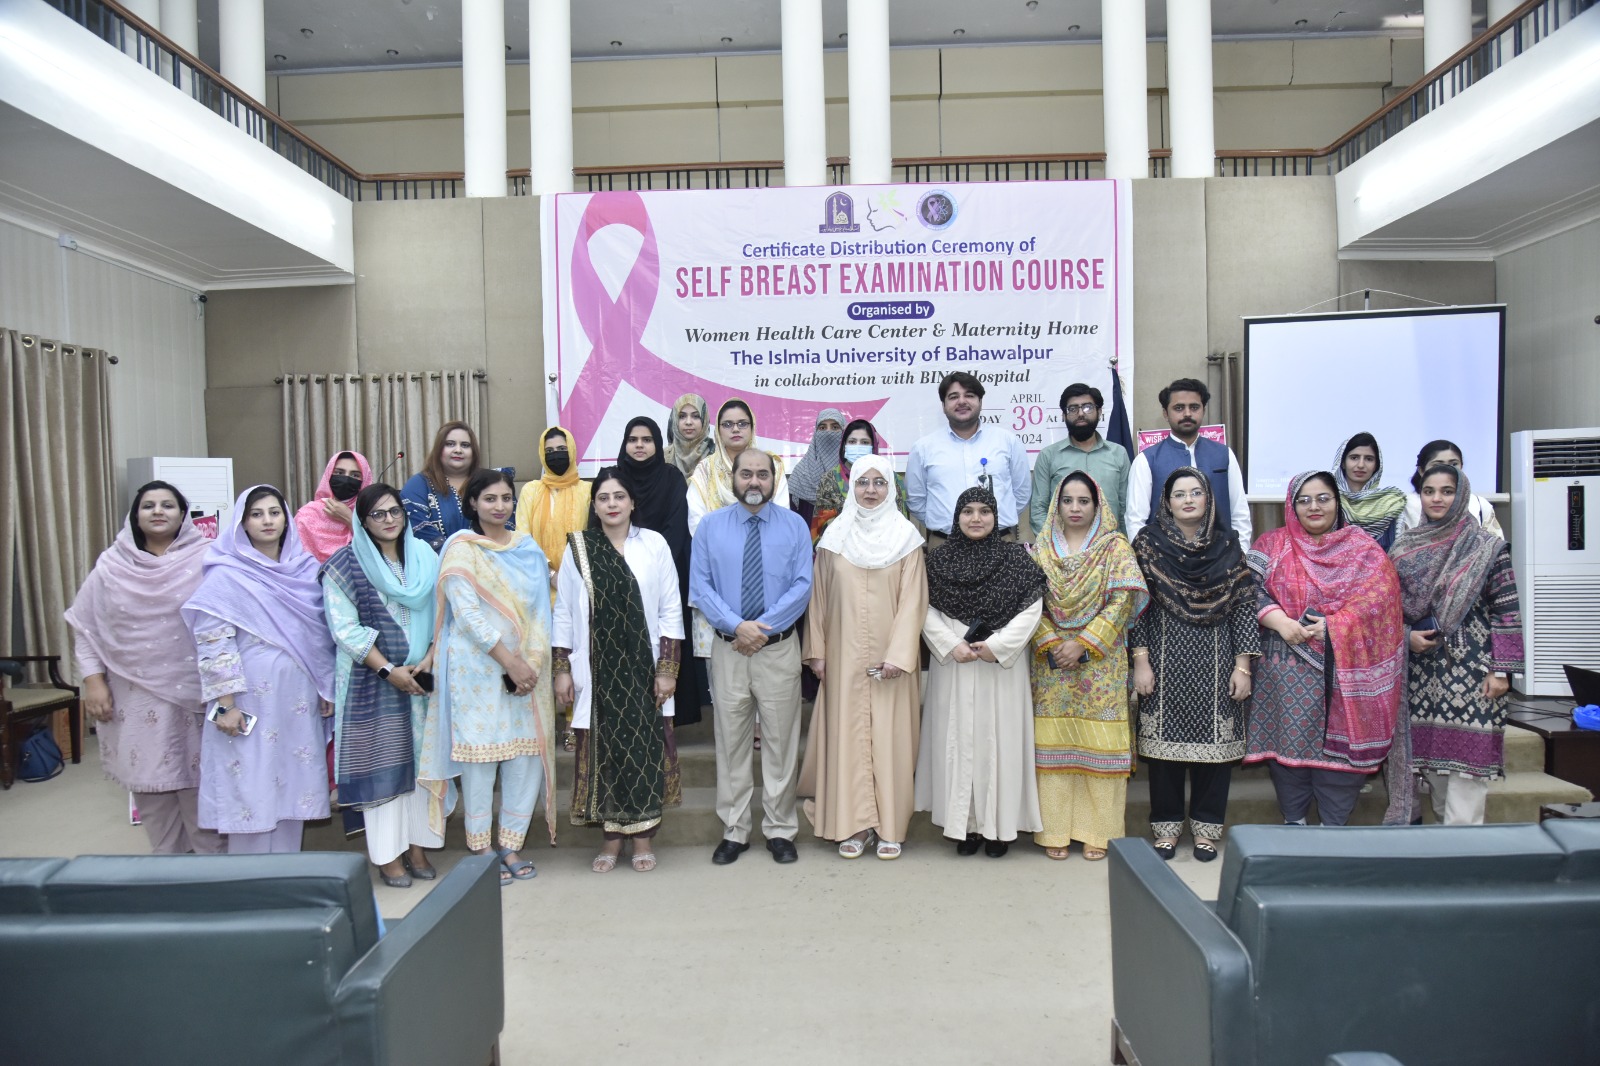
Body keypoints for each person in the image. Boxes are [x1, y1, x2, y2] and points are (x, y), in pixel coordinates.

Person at [66, 481, 223, 855]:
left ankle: (212, 871)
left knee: (201, 790)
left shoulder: (209, 559)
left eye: (168, 505)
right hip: (133, 694)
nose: (158, 511)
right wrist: (93, 681)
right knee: (151, 788)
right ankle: (165, 867)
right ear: (134, 516)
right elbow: (86, 627)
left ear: (183, 515)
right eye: (148, 505)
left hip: (198, 691)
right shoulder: (111, 566)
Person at [1243, 471, 1405, 826]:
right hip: (1284, 674)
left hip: (1345, 675)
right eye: (1304, 500)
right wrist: (1279, 621)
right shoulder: (1271, 545)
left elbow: (1381, 600)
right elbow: (1246, 589)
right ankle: (1294, 821)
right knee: (1288, 752)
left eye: (1323, 498)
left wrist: (1336, 625)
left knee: (1340, 763)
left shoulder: (1364, 550)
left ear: (1337, 502)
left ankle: (1333, 827)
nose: (1313, 507)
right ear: (1291, 506)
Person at [182, 486, 337, 853]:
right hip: (247, 698)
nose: (267, 521)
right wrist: (226, 704)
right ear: (242, 523)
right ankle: (250, 874)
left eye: (274, 512)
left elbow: (319, 637)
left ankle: (285, 869)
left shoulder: (306, 571)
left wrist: (325, 686)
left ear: (286, 519)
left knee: (292, 781)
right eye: (256, 514)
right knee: (249, 783)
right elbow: (214, 643)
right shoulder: (227, 575)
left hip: (297, 699)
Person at [553, 468, 685, 872]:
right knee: (604, 755)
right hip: (597, 671)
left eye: (619, 496)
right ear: (594, 506)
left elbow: (670, 607)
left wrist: (667, 669)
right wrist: (561, 668)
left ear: (632, 502)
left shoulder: (654, 544)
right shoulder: (580, 549)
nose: (612, 504)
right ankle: (611, 841)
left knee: (643, 753)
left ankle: (642, 838)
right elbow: (564, 612)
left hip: (644, 669)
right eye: (604, 497)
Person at [797, 455, 928, 860]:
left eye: (879, 482)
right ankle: (853, 824)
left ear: (891, 489)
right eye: (862, 482)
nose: (871, 490)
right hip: (843, 658)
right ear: (851, 487)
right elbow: (818, 600)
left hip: (892, 663)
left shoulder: (907, 539)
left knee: (890, 742)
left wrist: (899, 656)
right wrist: (817, 653)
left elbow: (914, 603)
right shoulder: (834, 538)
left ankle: (889, 827)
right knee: (848, 739)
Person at [689, 447, 814, 865]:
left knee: (780, 744)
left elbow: (802, 586)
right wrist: (737, 626)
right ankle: (735, 830)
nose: (755, 481)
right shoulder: (710, 526)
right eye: (747, 474)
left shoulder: (795, 526)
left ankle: (780, 830)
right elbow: (701, 586)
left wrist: (759, 629)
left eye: (763, 474)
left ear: (774, 480)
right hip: (729, 650)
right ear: (733, 478)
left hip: (777, 650)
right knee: (732, 744)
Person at [433, 469, 557, 885]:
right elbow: (466, 615)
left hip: (527, 670)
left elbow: (540, 612)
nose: (500, 506)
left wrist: (530, 663)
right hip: (477, 669)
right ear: (473, 503)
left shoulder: (527, 549)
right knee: (481, 759)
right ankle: (480, 846)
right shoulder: (461, 548)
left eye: (506, 498)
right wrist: (509, 661)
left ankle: (510, 843)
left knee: (525, 756)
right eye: (490, 499)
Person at [1130, 467, 1259, 861]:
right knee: (1163, 755)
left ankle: (1206, 829)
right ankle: (1166, 827)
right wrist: (1141, 662)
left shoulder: (1228, 546)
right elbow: (1138, 608)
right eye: (1179, 494)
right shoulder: (1148, 546)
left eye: (1196, 492)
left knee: (1215, 754)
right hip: (1163, 663)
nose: (1188, 500)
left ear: (1208, 499)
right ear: (1166, 503)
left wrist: (1243, 666)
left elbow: (1243, 608)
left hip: (1217, 663)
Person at [321, 483, 444, 888]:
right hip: (372, 681)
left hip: (423, 679)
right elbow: (344, 628)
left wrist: (429, 657)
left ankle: (419, 846)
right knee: (382, 767)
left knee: (423, 767)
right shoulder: (345, 563)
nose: (389, 520)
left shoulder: (425, 556)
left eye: (394, 511)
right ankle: (389, 856)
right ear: (362, 520)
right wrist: (389, 670)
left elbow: (443, 612)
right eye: (377, 514)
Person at [916, 486, 1047, 856]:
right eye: (968, 511)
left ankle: (998, 828)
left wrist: (998, 646)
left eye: (984, 511)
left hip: (999, 666)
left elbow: (1032, 609)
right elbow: (922, 608)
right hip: (955, 664)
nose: (976, 518)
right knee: (957, 742)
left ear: (996, 517)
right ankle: (966, 826)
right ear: (956, 517)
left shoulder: (1017, 560)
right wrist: (950, 644)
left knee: (999, 744)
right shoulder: (938, 562)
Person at [1391, 464, 1524, 825]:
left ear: (1462, 495)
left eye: (1447, 491)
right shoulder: (1403, 548)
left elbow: (1507, 611)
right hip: (1419, 674)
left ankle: (1462, 848)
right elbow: (1387, 611)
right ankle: (1445, 844)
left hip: (1475, 673)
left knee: (1468, 770)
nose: (1437, 499)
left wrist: (1502, 671)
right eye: (1429, 491)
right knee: (1433, 772)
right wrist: (1406, 637)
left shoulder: (1487, 548)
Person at [1029, 472, 1148, 861]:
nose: (1075, 508)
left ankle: (1099, 831)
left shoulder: (1115, 548)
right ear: (1056, 505)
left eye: (1084, 501)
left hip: (1101, 659)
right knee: (1054, 746)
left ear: (1098, 506)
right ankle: (1055, 831)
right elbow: (1029, 604)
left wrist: (1082, 644)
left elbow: (1122, 602)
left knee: (1101, 746)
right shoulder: (1040, 550)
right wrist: (1053, 643)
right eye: (1068, 500)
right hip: (1051, 662)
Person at [615, 415, 707, 727]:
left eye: (647, 440)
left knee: (666, 640)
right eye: (633, 440)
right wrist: (625, 568)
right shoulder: (613, 479)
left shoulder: (672, 478)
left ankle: (671, 719)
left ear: (657, 443)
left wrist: (649, 568)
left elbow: (676, 530)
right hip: (620, 575)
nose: (639, 446)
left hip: (665, 574)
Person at [1125, 377, 1252, 549]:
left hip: (1220, 556)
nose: (1187, 414)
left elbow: (1240, 514)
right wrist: (1145, 559)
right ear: (1165, 413)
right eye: (1179, 408)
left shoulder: (1224, 455)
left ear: (1203, 410)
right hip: (1164, 557)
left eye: (1194, 407)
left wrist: (1239, 554)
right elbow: (1135, 519)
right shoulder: (1146, 460)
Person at [906, 371, 1031, 544]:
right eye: (953, 397)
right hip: (945, 544)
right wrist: (944, 524)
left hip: (1000, 542)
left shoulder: (1008, 442)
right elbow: (916, 500)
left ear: (980, 402)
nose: (962, 401)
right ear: (943, 405)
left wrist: (993, 523)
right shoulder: (923, 448)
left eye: (969, 395)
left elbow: (1022, 493)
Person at [1029, 383, 1131, 536]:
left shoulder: (1118, 453)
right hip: (1062, 547)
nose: (1081, 413)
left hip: (1110, 545)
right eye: (1073, 409)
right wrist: (1056, 544)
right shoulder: (1048, 456)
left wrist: (1123, 544)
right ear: (1064, 415)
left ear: (1099, 412)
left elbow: (1125, 508)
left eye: (1087, 407)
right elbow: (1038, 509)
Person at [401, 421, 515, 551]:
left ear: (473, 451)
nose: (458, 450)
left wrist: (485, 555)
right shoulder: (418, 485)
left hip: (492, 557)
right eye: (450, 444)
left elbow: (508, 523)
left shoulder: (490, 481)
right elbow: (418, 528)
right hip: (436, 559)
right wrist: (457, 555)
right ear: (438, 449)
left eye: (465, 445)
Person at [686, 398, 790, 535]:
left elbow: (782, 515)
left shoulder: (772, 465)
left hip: (766, 543)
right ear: (718, 430)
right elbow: (697, 522)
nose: (735, 429)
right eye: (727, 424)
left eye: (742, 424)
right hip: (717, 545)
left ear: (752, 427)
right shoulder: (705, 470)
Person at [807, 417, 908, 544]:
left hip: (885, 548)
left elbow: (901, 523)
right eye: (852, 441)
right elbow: (821, 526)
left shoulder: (890, 479)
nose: (858, 446)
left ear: (873, 446)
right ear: (844, 445)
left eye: (864, 442)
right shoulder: (830, 479)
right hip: (841, 549)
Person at [515, 426, 592, 590]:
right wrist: (550, 574)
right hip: (539, 582)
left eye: (562, 449)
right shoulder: (531, 490)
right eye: (549, 451)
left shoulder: (588, 491)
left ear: (571, 450)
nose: (556, 455)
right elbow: (522, 539)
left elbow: (592, 538)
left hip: (581, 584)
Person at [1397, 439, 1504, 538]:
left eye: (1454, 464)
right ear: (1421, 470)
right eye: (1437, 465)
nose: (1446, 470)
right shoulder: (1405, 506)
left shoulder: (1478, 504)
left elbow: (1496, 544)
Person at [295, 450, 373, 563]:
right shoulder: (308, 514)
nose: (346, 479)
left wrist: (350, 520)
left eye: (355, 475)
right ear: (329, 475)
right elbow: (295, 557)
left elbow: (378, 555)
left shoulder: (372, 513)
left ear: (364, 480)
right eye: (339, 473)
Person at [1332, 432, 1407, 550]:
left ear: (1377, 465)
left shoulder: (1391, 503)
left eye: (1369, 459)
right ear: (1342, 463)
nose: (1361, 465)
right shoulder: (1329, 501)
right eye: (1354, 458)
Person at [786, 408, 846, 526]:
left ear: (844, 433)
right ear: (815, 433)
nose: (828, 433)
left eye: (835, 427)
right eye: (822, 428)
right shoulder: (800, 473)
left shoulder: (853, 473)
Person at [664, 392, 714, 480]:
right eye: (682, 416)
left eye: (696, 416)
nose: (688, 422)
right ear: (675, 420)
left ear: (704, 420)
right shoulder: (663, 456)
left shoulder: (716, 456)